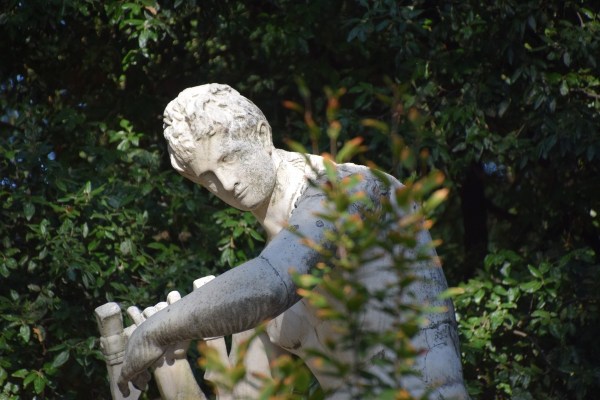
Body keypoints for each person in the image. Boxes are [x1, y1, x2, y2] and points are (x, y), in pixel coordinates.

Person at [117, 83, 468, 399]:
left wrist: (157, 330)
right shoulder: (253, 303)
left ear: (261, 134)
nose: (225, 182)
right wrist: (172, 369)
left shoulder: (355, 190)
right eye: (206, 177)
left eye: (228, 157)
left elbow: (274, 284)